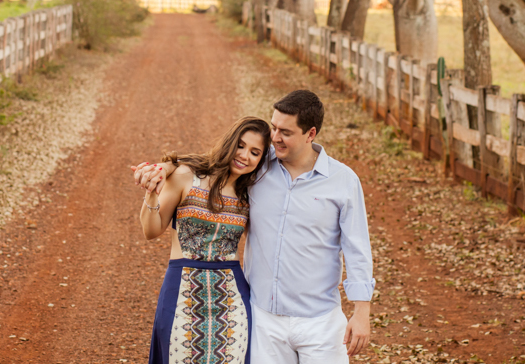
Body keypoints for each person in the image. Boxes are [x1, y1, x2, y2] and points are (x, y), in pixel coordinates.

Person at [135, 90, 374, 363]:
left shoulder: (342, 181)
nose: (275, 137)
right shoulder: (261, 167)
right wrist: (165, 167)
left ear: (310, 134)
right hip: (264, 320)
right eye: (274, 127)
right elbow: (214, 162)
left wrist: (361, 311)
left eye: (285, 131)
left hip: (319, 321)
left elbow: (358, 249)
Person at [135, 116, 271, 364]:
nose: (244, 155)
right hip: (182, 295)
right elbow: (151, 231)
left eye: (255, 152)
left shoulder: (251, 194)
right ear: (230, 142)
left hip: (232, 303)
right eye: (240, 145)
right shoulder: (186, 176)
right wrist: (152, 193)